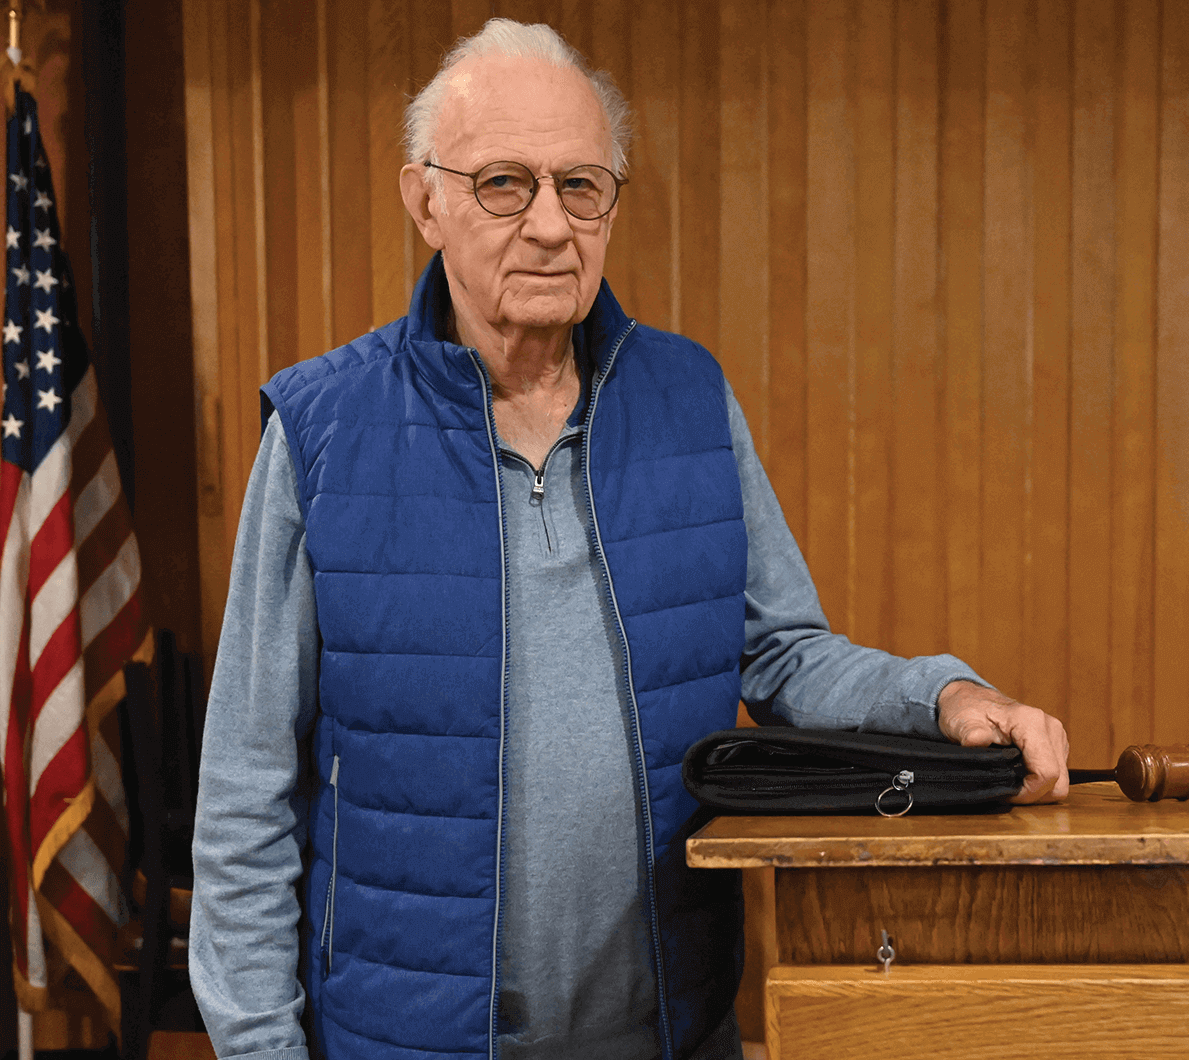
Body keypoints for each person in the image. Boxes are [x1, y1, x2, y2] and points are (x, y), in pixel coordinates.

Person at [189, 18, 1069, 1060]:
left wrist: (947, 698)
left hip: (670, 1037)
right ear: (424, 199)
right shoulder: (321, 429)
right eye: (504, 183)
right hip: (396, 1040)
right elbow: (246, 793)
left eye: (581, 184)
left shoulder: (689, 398)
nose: (551, 225)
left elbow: (783, 653)